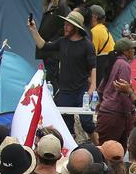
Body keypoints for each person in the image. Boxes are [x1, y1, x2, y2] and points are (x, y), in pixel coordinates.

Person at [28, 10, 97, 140]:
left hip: (82, 90)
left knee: (87, 123)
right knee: (65, 124)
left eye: (68, 25)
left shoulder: (87, 45)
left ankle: (98, 147)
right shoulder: (62, 42)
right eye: (65, 24)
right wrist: (33, 30)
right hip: (65, 91)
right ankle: (69, 150)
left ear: (75, 28)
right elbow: (43, 45)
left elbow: (93, 67)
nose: (65, 27)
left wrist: (92, 87)